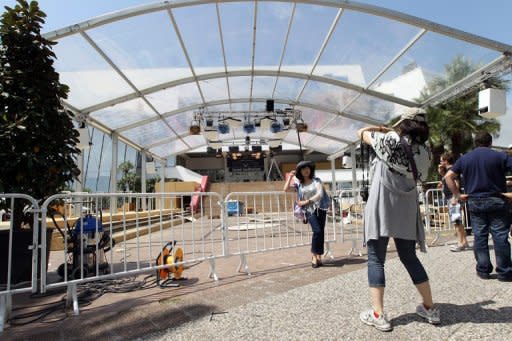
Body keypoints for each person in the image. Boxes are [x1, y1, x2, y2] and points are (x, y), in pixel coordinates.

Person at [357, 108, 440, 332]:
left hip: (381, 205)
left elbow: (361, 132)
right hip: (406, 207)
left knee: (376, 259)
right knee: (409, 257)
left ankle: (378, 314)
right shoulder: (426, 152)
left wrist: (383, 128)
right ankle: (430, 308)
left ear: (404, 124)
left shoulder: (388, 140)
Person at [444, 132, 512, 281]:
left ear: (475, 143)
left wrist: (457, 195)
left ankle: (483, 270)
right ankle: (504, 271)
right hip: (497, 199)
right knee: (500, 236)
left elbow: (448, 177)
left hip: (474, 201)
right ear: (490, 142)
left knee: (480, 236)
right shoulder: (500, 156)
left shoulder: (465, 158)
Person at [283, 160, 330, 269]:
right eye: (303, 169)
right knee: (317, 231)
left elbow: (320, 194)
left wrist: (307, 201)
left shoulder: (316, 181)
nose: (306, 170)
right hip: (309, 211)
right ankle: (314, 255)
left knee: (321, 233)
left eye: (307, 168)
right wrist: (290, 177)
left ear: (311, 169)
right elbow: (285, 189)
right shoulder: (299, 185)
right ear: (300, 171)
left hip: (321, 209)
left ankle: (319, 256)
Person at [439, 152, 469, 252]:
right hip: (453, 198)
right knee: (458, 221)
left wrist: (454, 197)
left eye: (441, 160)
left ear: (446, 161)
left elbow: (457, 184)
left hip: (453, 199)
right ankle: (464, 241)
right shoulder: (448, 170)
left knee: (457, 222)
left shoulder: (452, 171)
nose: (440, 162)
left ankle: (460, 243)